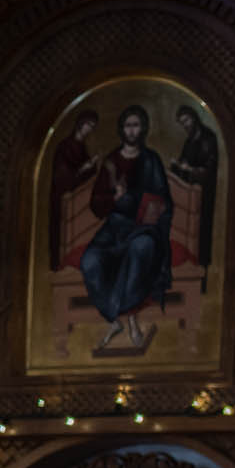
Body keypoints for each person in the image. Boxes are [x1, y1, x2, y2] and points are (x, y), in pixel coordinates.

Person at [79, 105, 175, 353]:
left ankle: (131, 320)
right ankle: (114, 319)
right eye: (127, 125)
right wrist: (114, 198)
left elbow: (163, 198)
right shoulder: (111, 162)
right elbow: (96, 204)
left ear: (143, 128)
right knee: (90, 260)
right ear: (122, 129)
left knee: (139, 250)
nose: (132, 130)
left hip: (144, 228)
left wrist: (131, 198)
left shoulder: (151, 160)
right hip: (115, 228)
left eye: (136, 125)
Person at [167, 104, 219, 269]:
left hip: (203, 194)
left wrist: (190, 170)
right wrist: (178, 166)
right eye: (183, 123)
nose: (186, 125)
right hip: (187, 194)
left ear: (194, 118)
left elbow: (209, 169)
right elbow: (184, 162)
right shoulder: (189, 141)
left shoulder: (208, 138)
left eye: (187, 120)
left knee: (201, 232)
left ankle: (202, 264)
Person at [48, 110, 99, 270]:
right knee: (61, 234)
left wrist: (90, 167)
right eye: (88, 125)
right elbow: (62, 176)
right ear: (80, 124)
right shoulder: (65, 146)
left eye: (92, 127)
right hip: (63, 198)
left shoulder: (82, 147)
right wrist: (83, 169)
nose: (89, 130)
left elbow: (84, 175)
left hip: (77, 200)